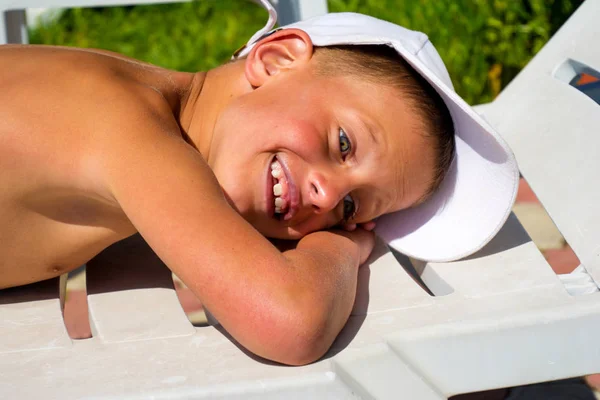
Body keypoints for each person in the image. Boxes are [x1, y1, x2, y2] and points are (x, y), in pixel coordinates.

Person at [0, 2, 518, 365]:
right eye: (343, 144)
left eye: (351, 206)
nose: (328, 196)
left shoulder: (145, 114)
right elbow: (290, 323)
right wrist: (339, 245)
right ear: (275, 59)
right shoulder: (122, 125)